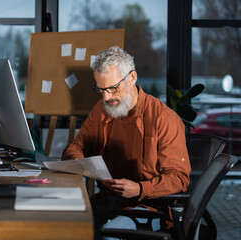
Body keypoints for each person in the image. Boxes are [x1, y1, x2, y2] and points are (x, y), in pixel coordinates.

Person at [61, 46, 191, 239]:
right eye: (101, 89)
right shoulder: (102, 109)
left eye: (113, 88)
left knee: (107, 236)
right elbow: (76, 146)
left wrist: (139, 189)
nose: (106, 97)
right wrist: (79, 161)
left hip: (150, 207)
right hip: (109, 200)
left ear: (132, 78)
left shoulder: (164, 119)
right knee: (60, 227)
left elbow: (179, 179)